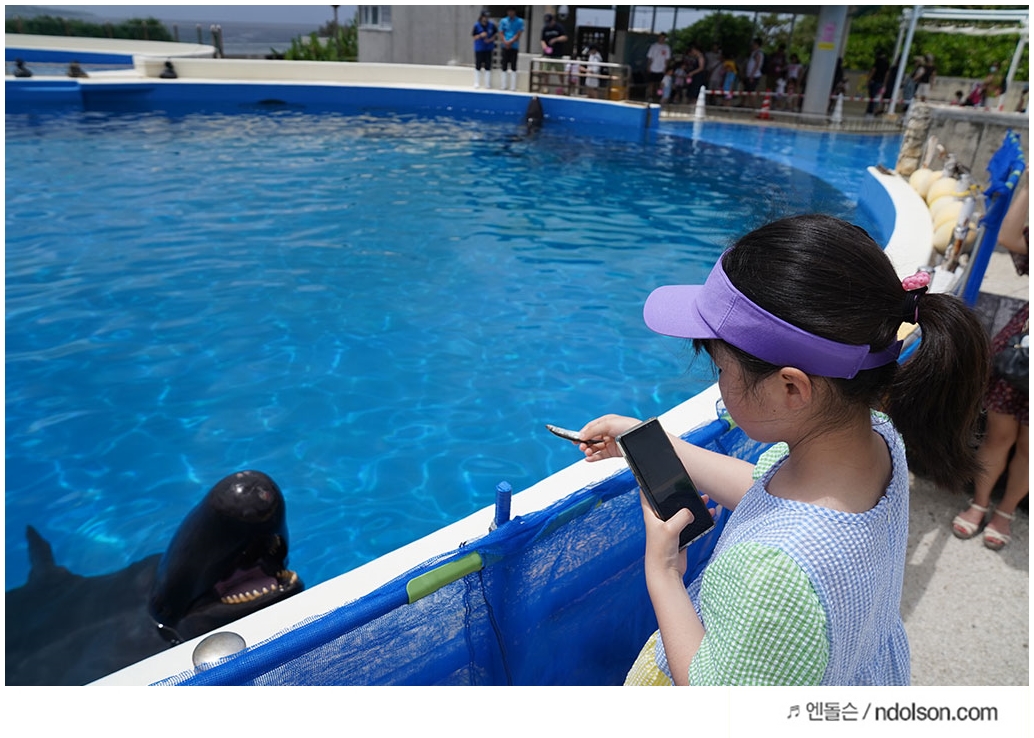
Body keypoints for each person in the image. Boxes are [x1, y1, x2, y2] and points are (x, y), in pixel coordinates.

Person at [572, 215, 990, 685]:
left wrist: (664, 573)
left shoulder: (773, 575)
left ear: (792, 388)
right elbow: (763, 492)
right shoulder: (877, 438)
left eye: (722, 370)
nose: (720, 383)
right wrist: (649, 443)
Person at [953, 181, 1028, 551]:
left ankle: (1006, 512)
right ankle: (980, 503)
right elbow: (1011, 236)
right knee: (999, 435)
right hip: (1022, 352)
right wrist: (1029, 179)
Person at [499, 7, 524, 92]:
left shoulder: (519, 21)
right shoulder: (503, 21)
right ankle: (503, 85)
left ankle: (513, 86)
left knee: (513, 65)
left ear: (514, 12)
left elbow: (519, 33)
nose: (510, 13)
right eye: (509, 11)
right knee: (504, 65)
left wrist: (511, 42)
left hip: (514, 46)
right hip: (505, 45)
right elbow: (501, 32)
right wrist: (505, 42)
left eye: (512, 11)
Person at [471, 10, 498, 89]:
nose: (486, 18)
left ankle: (487, 83)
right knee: (478, 65)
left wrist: (490, 40)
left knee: (488, 66)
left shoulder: (491, 25)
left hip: (488, 48)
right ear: (481, 17)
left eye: (487, 17)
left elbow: (495, 35)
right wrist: (480, 35)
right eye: (484, 17)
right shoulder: (477, 25)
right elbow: (474, 36)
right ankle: (477, 82)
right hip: (479, 48)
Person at [645, 32, 671, 101]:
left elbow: (667, 59)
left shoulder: (666, 47)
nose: (662, 39)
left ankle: (659, 95)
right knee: (651, 83)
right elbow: (650, 57)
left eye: (663, 38)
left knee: (660, 83)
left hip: (661, 68)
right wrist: (649, 66)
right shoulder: (653, 46)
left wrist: (665, 67)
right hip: (653, 67)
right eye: (661, 38)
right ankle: (650, 96)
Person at [866, 50, 889, 117]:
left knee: (872, 97)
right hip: (881, 82)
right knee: (877, 97)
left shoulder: (878, 61)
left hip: (874, 81)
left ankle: (870, 111)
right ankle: (874, 110)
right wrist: (884, 83)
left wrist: (868, 79)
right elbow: (887, 74)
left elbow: (873, 70)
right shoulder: (887, 62)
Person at [743, 37, 765, 106]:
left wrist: (752, 75)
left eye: (754, 44)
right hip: (749, 74)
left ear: (757, 45)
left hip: (754, 75)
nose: (752, 45)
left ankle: (752, 105)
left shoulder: (758, 53)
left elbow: (757, 64)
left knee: (752, 91)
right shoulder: (753, 52)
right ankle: (743, 103)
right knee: (746, 90)